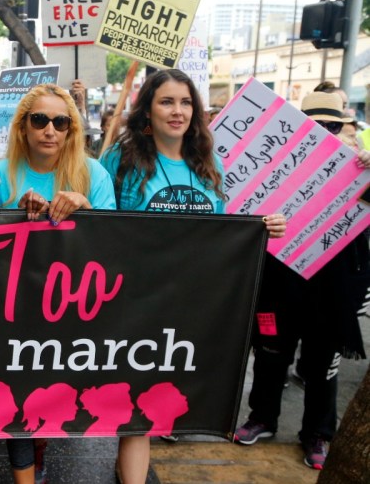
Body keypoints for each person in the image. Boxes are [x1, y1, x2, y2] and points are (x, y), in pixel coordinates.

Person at [100, 69, 286, 484]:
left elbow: (220, 235)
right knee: (137, 406)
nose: (177, 111)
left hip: (190, 307)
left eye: (185, 102)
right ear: (147, 108)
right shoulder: (121, 158)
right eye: (167, 101)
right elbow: (101, 226)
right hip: (135, 302)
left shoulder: (208, 163)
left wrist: (262, 227)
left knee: (159, 399)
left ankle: (124, 467)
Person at [234, 91, 369, 471]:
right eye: (316, 125)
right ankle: (262, 417)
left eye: (332, 126)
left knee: (323, 360)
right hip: (281, 281)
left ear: (344, 129)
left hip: (332, 286)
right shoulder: (277, 162)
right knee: (271, 352)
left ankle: (318, 433)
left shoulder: (358, 166)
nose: (324, 132)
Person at [0, 83, 115, 484]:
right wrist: (14, 214)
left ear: (71, 129)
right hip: (14, 307)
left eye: (60, 121)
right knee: (18, 402)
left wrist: (86, 209)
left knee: (52, 403)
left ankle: (40, 452)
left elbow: (115, 242)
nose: (50, 129)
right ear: (23, 127)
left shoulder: (93, 174)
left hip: (72, 308)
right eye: (40, 120)